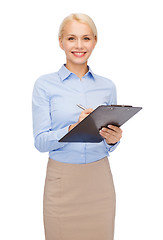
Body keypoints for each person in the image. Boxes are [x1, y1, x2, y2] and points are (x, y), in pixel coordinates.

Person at [32, 13, 122, 240]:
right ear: (61, 42)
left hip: (99, 180)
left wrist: (114, 139)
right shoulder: (44, 85)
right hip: (62, 182)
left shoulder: (107, 86)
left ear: (95, 41)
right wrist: (73, 128)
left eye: (86, 38)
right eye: (72, 38)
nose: (79, 46)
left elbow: (108, 140)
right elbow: (40, 142)